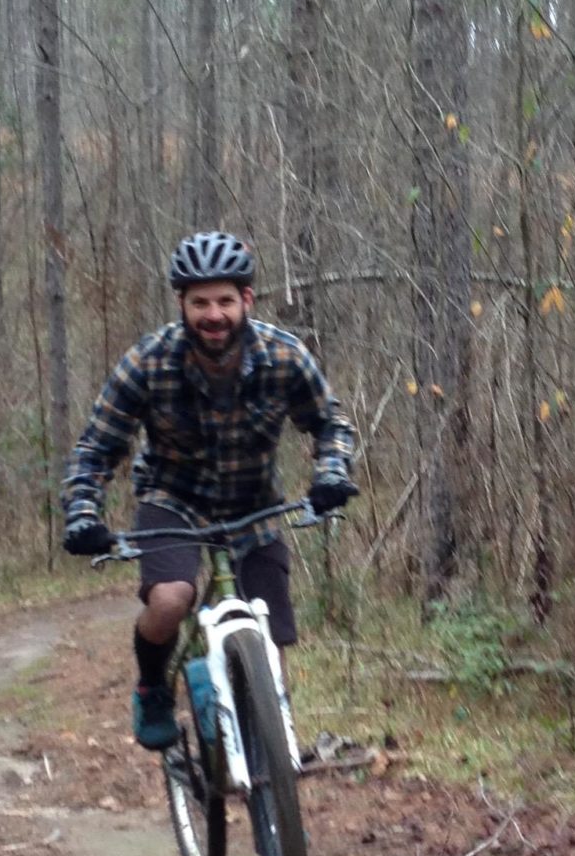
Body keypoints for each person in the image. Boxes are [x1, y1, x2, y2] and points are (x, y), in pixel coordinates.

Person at [62, 232, 359, 749]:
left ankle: (271, 757)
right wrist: (83, 511)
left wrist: (331, 474)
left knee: (271, 639)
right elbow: (96, 448)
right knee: (173, 598)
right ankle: (154, 686)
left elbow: (331, 423)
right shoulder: (148, 362)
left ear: (246, 300)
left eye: (224, 300)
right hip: (172, 501)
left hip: (256, 505)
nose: (213, 314)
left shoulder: (284, 357)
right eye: (200, 302)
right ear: (182, 304)